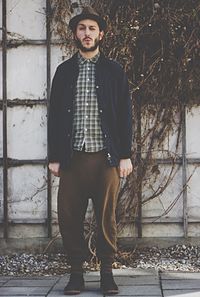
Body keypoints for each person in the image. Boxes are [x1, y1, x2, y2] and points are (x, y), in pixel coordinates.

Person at [48, 5, 133, 295]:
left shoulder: (114, 71)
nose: (87, 33)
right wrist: (54, 157)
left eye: (92, 29)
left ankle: (107, 274)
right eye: (82, 28)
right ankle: (76, 274)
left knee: (106, 216)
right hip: (72, 159)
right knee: (69, 216)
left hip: (106, 159)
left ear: (101, 35)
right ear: (75, 33)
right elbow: (56, 115)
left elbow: (125, 114)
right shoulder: (64, 71)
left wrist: (125, 154)